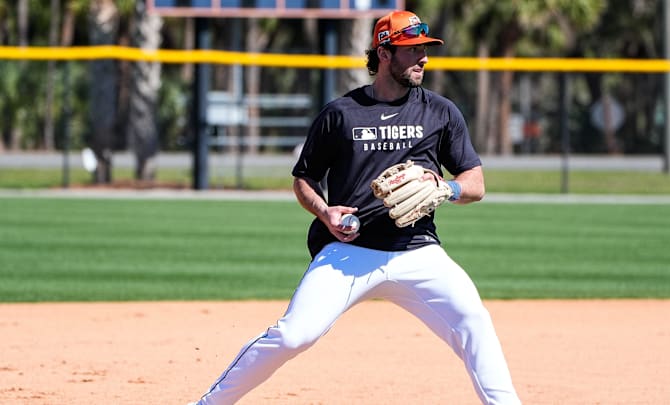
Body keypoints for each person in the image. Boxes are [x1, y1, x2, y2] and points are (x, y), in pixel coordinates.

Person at [190, 10, 521, 405]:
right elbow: (304, 179)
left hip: (419, 252)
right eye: (412, 49)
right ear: (384, 53)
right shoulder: (340, 114)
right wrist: (324, 211)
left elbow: (475, 183)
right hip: (349, 252)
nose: (423, 58)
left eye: (425, 49)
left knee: (474, 321)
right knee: (295, 334)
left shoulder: (440, 112)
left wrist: (446, 188)